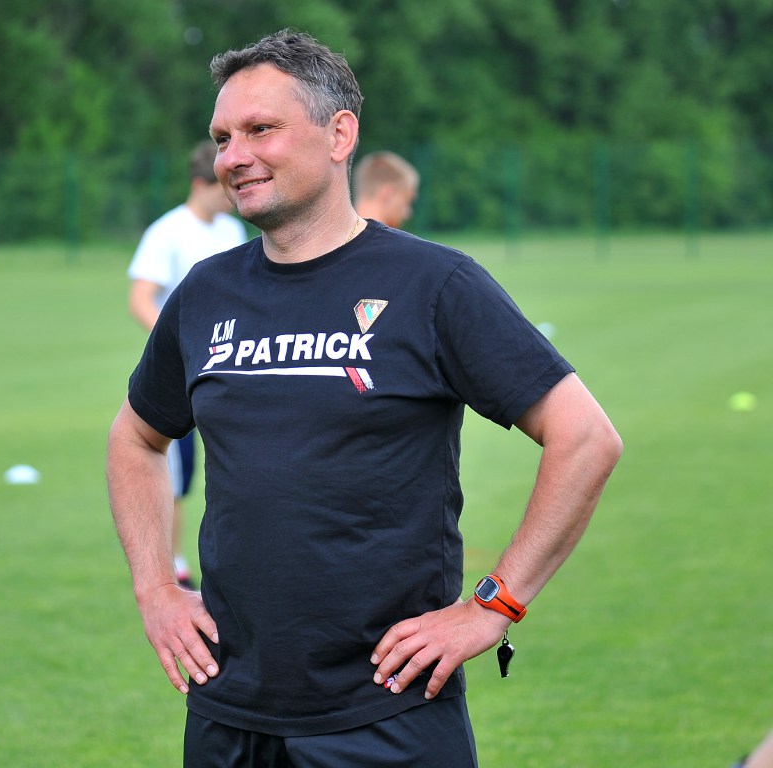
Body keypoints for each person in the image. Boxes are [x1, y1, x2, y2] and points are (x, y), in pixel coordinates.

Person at [106, 29, 622, 767]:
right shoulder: (205, 293)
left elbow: (586, 437)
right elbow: (136, 438)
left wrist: (493, 606)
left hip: (387, 709)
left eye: (261, 129)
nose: (233, 157)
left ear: (339, 135)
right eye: (222, 138)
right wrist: (156, 587)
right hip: (228, 707)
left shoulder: (435, 285)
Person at [127, 140, 247, 588]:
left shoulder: (232, 230)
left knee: (235, 463)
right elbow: (140, 299)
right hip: (182, 370)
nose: (232, 194)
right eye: (222, 186)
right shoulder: (167, 232)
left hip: (232, 367)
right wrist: (182, 345)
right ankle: (174, 565)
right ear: (199, 184)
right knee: (172, 469)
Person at [353, 150, 420, 229]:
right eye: (405, 203)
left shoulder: (342, 232)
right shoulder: (391, 237)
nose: (407, 214)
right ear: (388, 193)